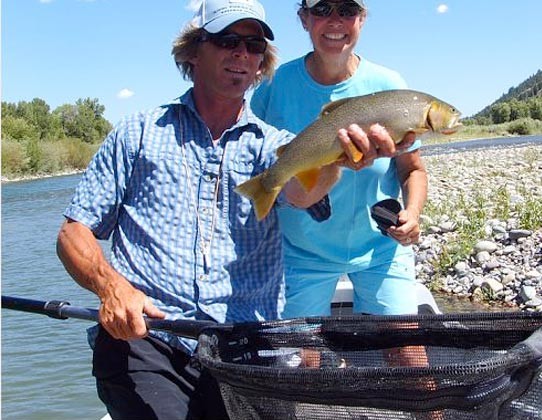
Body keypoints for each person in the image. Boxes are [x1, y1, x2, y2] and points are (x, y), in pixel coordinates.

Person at [55, 0, 404, 418]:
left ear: (261, 64)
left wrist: (334, 162)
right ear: (191, 52)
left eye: (254, 46)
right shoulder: (137, 133)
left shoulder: (275, 145)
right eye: (226, 41)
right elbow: (73, 233)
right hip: (148, 337)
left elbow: (301, 193)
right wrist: (111, 287)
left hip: (247, 346)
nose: (242, 54)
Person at [251, 0, 428, 319]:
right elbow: (253, 158)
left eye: (347, 9)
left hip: (381, 249)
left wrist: (412, 214)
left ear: (361, 19)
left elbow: (412, 169)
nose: (335, 21)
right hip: (301, 254)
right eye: (321, 10)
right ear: (304, 19)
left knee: (407, 357)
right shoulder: (273, 87)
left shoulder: (390, 86)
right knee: (304, 364)